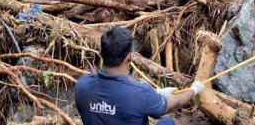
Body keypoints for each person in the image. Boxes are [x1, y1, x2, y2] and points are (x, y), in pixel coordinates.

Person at [75, 27, 204, 125]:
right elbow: (173, 104)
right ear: (129, 57)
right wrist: (194, 90)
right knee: (167, 122)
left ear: (100, 54)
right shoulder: (141, 94)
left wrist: (156, 92)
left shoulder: (82, 85)